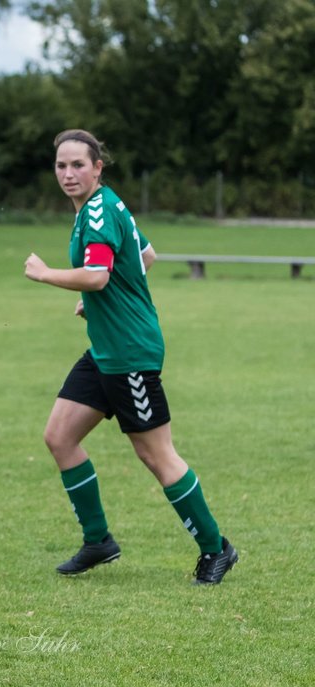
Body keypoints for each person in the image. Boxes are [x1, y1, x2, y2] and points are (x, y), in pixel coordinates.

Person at [23, 129, 238, 585]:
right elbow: (147, 255)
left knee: (156, 455)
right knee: (60, 436)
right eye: (61, 165)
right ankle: (99, 540)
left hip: (131, 354)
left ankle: (216, 548)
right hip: (105, 349)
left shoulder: (98, 212)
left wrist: (46, 275)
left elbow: (98, 275)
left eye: (78, 164)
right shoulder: (104, 205)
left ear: (98, 167)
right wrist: (102, 300)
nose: (68, 173)